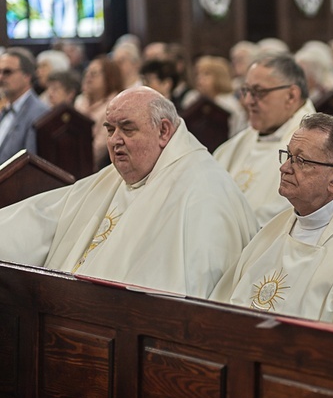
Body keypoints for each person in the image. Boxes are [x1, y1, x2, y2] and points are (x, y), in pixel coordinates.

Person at [0, 87, 258, 298]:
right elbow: (44, 217)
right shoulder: (115, 176)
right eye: (110, 129)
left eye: (128, 128)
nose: (114, 140)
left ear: (164, 131)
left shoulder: (202, 190)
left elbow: (186, 287)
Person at [211, 113, 333, 333]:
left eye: (301, 160)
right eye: (287, 155)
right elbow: (222, 308)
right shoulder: (274, 229)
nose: (285, 168)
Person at [213, 53, 316, 227]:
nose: (247, 101)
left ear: (291, 95)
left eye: (258, 92)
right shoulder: (237, 144)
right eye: (246, 91)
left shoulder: (316, 149)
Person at [0, 48, 50, 164]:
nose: (1, 77)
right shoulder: (5, 109)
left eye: (7, 72)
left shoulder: (39, 113)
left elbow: (30, 165)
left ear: (27, 75)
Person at [75, 55, 124, 170]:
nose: (88, 77)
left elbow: (99, 150)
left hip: (98, 167)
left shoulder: (116, 105)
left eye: (93, 74)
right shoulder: (80, 100)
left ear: (109, 78)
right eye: (86, 73)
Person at [182, 55, 247, 137]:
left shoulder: (230, 103)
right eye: (198, 74)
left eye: (206, 74)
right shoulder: (191, 98)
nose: (200, 78)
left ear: (220, 77)